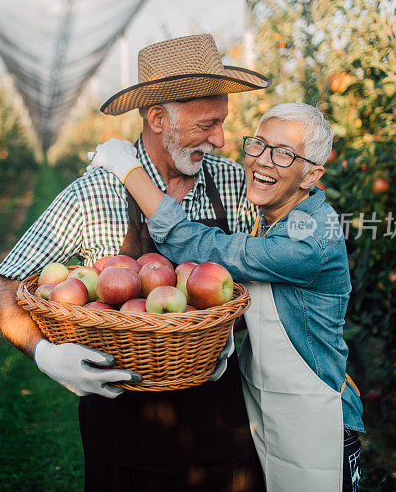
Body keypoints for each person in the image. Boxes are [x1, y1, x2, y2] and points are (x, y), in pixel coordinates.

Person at [0, 33, 271, 490]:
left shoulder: (234, 184)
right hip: (122, 406)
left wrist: (232, 333)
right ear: (158, 118)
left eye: (223, 122)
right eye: (206, 124)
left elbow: (265, 275)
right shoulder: (93, 193)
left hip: (218, 405)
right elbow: (1, 285)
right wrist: (45, 355)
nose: (220, 138)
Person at [89, 102, 365, 492]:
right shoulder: (271, 215)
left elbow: (196, 244)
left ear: (311, 174)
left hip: (314, 415)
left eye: (284, 153)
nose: (263, 161)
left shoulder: (308, 241)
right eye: (258, 145)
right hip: (265, 409)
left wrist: (130, 171)